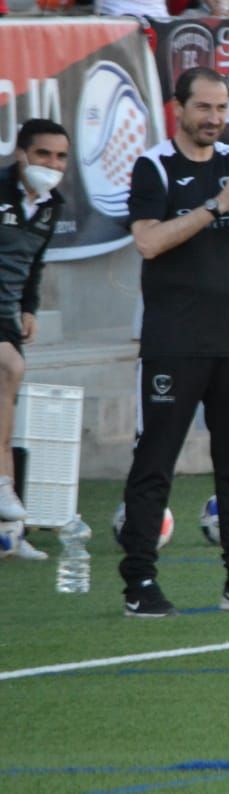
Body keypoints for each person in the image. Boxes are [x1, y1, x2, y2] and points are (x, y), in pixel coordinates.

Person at [120, 68, 229, 618]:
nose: (214, 118)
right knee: (156, 461)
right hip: (174, 342)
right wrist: (218, 204)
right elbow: (148, 242)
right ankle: (139, 582)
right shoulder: (154, 166)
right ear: (179, 109)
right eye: (204, 108)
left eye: (221, 108)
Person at [0, 118, 67, 527]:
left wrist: (29, 309)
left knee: (7, 395)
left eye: (61, 157)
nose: (53, 164)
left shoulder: (51, 205)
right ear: (22, 153)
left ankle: (10, 530)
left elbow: (35, 263)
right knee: (11, 368)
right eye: (44, 154)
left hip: (6, 314)